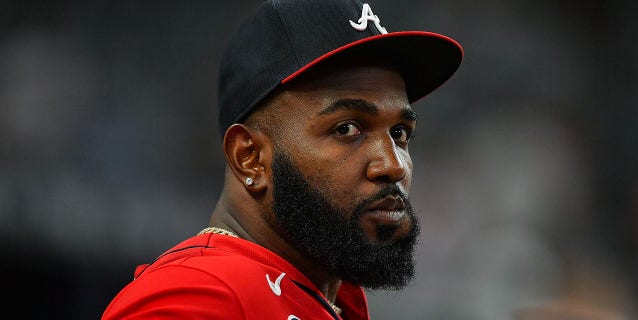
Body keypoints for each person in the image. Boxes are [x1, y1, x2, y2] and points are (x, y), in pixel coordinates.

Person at [101, 0, 463, 319]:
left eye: (399, 133)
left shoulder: (329, 296)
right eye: (347, 129)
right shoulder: (197, 294)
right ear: (250, 158)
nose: (393, 164)